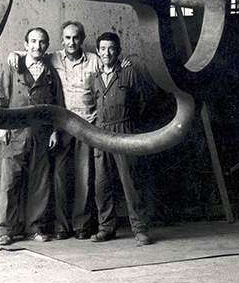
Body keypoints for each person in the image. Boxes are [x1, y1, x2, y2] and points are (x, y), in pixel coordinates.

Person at [8, 21, 132, 240]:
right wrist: (15, 53)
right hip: (62, 127)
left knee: (84, 178)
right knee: (59, 177)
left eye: (75, 38)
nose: (71, 42)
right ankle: (61, 227)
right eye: (67, 38)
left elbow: (112, 67)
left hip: (87, 126)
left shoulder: (94, 59)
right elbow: (32, 54)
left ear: (82, 39)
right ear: (62, 40)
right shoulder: (53, 58)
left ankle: (81, 226)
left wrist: (125, 63)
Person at [0, 27, 64, 247]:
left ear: (47, 45)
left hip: (41, 135)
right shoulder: (13, 66)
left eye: (42, 42)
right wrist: (1, 126)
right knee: (10, 183)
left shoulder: (51, 73)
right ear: (25, 45)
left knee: (39, 184)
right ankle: (5, 230)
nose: (37, 46)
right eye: (32, 41)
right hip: (15, 134)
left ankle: (35, 228)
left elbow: (58, 105)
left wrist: (54, 131)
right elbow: (1, 98)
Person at [88, 32, 152, 247]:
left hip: (124, 130)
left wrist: (130, 126)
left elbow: (143, 103)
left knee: (130, 183)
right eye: (103, 49)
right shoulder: (94, 77)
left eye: (112, 48)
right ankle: (106, 228)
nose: (107, 53)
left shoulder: (128, 73)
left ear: (118, 51)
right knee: (101, 184)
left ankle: (140, 229)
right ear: (98, 51)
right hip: (100, 134)